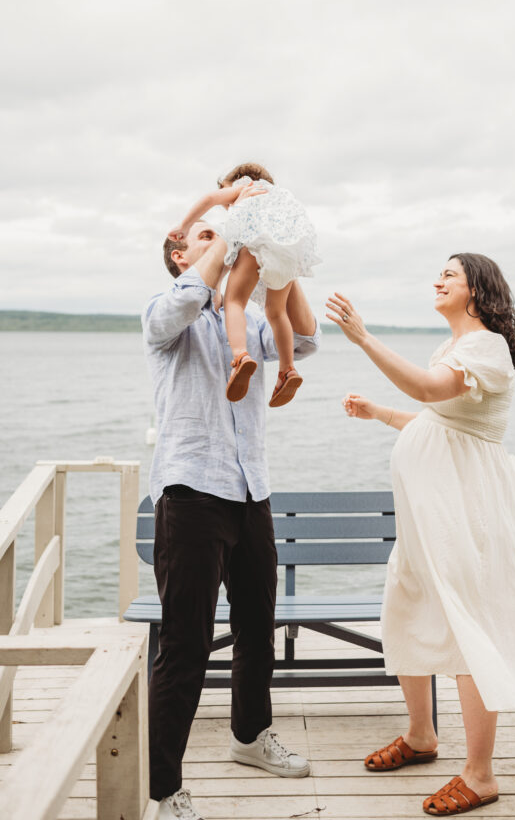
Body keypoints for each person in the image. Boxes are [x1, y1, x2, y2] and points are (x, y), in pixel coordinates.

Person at [326, 254, 515, 817]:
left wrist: (363, 338)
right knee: (408, 607)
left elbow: (430, 393)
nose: (438, 280)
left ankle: (480, 775)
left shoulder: (486, 347)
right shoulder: (453, 347)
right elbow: (439, 421)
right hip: (427, 517)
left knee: (468, 624)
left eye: (449, 274)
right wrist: (380, 413)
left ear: (477, 289)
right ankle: (421, 736)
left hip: (464, 511)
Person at [143, 215, 320, 820]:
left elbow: (306, 338)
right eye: (204, 235)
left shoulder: (244, 316)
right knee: (185, 645)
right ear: (179, 254)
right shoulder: (167, 314)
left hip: (251, 492)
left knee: (256, 627)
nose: (222, 238)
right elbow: (187, 297)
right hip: (191, 493)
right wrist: (229, 231)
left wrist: (281, 255)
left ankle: (249, 736)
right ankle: (162, 788)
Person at [168, 162, 320, 409]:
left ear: (236, 181)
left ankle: (240, 356)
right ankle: (287, 370)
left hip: (256, 244)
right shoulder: (277, 196)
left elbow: (208, 199)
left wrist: (184, 226)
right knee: (276, 312)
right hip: (290, 252)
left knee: (235, 302)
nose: (227, 208)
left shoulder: (243, 188)